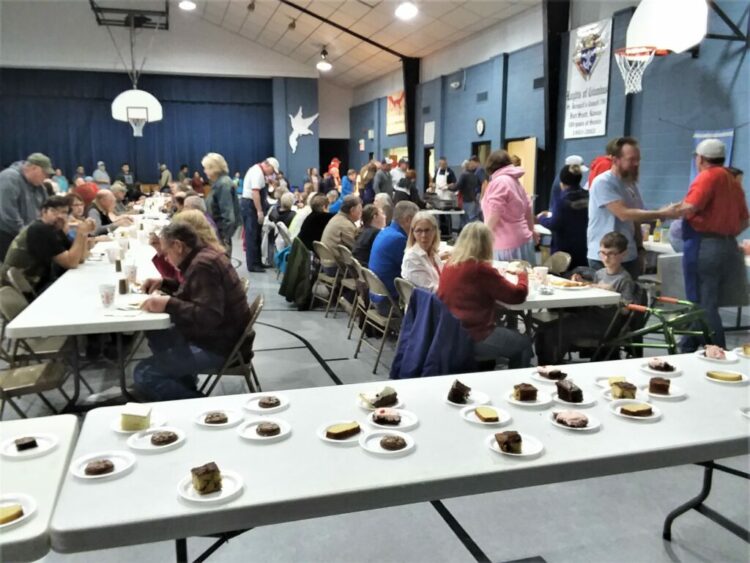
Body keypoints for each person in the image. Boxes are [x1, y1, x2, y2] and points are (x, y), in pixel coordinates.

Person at [135, 222, 250, 401]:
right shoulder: (204, 256)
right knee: (157, 333)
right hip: (222, 337)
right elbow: (196, 292)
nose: (165, 258)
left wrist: (169, 304)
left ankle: (199, 404)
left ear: (178, 246)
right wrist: (165, 283)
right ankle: (182, 382)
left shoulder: (203, 265)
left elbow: (209, 315)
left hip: (220, 347)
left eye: (166, 253)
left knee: (145, 373)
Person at [667, 139, 749, 351]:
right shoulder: (733, 181)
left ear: (701, 159)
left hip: (704, 247)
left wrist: (667, 211)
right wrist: (726, 233)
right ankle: (686, 348)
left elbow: (690, 208)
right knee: (706, 302)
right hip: (727, 246)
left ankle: (719, 352)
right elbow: (745, 219)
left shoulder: (707, 177)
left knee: (704, 305)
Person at [437, 222, 532, 369]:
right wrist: (522, 275)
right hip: (473, 335)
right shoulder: (480, 269)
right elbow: (517, 295)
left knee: (507, 332)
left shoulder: (450, 264)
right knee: (524, 344)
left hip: (449, 332)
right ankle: (519, 382)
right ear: (486, 244)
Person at [534, 232, 639, 364]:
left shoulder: (624, 279)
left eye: (611, 254)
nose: (606, 258)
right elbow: (594, 291)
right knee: (543, 330)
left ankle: (553, 366)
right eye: (602, 253)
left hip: (607, 325)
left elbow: (626, 310)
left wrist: (615, 296)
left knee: (556, 331)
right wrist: (581, 282)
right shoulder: (600, 273)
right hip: (590, 317)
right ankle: (545, 365)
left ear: (623, 254)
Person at [587, 137, 676, 279]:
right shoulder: (603, 183)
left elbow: (636, 218)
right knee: (608, 292)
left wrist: (640, 248)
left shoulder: (630, 184)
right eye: (631, 159)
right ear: (615, 160)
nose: (636, 164)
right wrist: (661, 213)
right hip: (606, 257)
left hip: (629, 254)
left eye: (638, 159)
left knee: (630, 292)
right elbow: (624, 214)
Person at [0, 195, 95, 294]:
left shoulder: (55, 229)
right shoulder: (40, 229)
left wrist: (85, 233)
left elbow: (80, 258)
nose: (60, 216)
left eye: (64, 212)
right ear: (43, 212)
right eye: (54, 211)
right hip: (28, 289)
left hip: (41, 282)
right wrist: (80, 233)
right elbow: (71, 263)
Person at [481, 150, 536, 264]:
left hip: (505, 244)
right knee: (527, 273)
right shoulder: (516, 182)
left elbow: (495, 212)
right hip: (524, 239)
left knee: (507, 274)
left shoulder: (499, 182)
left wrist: (483, 236)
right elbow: (528, 209)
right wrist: (532, 231)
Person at [0, 153, 52, 260]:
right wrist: (27, 234)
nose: (47, 177)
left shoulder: (39, 186)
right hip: (8, 235)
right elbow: (8, 213)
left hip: (27, 235)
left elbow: (47, 206)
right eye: (44, 173)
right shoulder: (9, 178)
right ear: (34, 168)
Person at [537, 163, 589, 269]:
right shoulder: (587, 195)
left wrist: (541, 218)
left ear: (562, 182)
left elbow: (554, 223)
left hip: (565, 248)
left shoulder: (562, 200)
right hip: (583, 245)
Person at [369, 201, 419, 309]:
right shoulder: (398, 239)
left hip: (376, 296)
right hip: (388, 302)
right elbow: (414, 268)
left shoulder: (385, 231)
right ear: (408, 220)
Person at [241, 157, 278, 272]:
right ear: (268, 166)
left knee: (257, 235)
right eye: (272, 171)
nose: (272, 174)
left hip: (252, 205)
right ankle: (253, 265)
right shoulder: (257, 173)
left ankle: (258, 262)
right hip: (250, 206)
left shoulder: (259, 172)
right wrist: (259, 211)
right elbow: (255, 193)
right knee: (252, 235)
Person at [199, 153, 238, 255]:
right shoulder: (219, 183)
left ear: (213, 168)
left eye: (206, 168)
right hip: (217, 234)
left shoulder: (223, 184)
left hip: (220, 237)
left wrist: (223, 239)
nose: (204, 171)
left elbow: (229, 217)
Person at [401, 211, 444, 292]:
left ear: (435, 231)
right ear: (413, 233)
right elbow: (431, 290)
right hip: (431, 298)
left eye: (427, 230)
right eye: (419, 231)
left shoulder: (432, 252)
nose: (424, 235)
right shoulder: (411, 258)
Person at [454, 159, 480, 226]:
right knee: (471, 220)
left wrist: (448, 187)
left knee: (464, 220)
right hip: (473, 200)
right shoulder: (474, 175)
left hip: (465, 200)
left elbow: (457, 186)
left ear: (464, 167)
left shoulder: (464, 175)